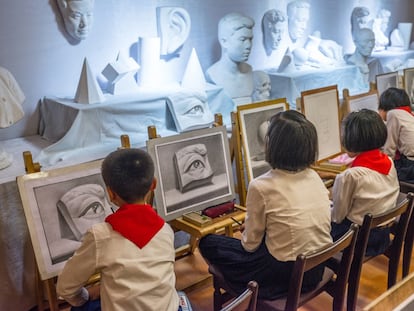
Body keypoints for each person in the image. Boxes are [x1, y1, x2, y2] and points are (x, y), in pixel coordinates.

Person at [198, 110, 333, 299]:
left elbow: (249, 246)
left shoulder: (261, 186)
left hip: (284, 275)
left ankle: (245, 295)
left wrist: (252, 231)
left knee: (208, 242)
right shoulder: (314, 177)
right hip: (315, 269)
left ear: (273, 145)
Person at [56, 148, 179, 311]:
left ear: (110, 194)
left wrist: (84, 298)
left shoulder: (100, 236)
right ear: (153, 185)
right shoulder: (166, 230)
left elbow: (65, 288)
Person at [331, 109, 400, 256]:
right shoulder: (388, 161)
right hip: (383, 235)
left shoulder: (350, 176)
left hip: (357, 241)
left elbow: (337, 217)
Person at [205, 12, 254, 99]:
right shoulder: (212, 75)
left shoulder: (250, 70)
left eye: (250, 39)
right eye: (242, 39)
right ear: (224, 42)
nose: (249, 45)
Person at [378, 87, 414, 183]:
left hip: (411, 165)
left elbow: (390, 148)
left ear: (384, 108)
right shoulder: (409, 115)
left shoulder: (392, 114)